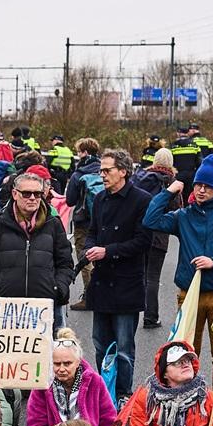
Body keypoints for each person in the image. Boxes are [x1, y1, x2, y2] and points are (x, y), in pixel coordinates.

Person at [138, 156, 213, 360]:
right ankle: (189, 391)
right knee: (186, 353)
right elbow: (150, 220)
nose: (201, 190)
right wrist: (169, 191)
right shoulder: (183, 216)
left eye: (207, 186)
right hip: (189, 293)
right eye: (198, 184)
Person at [77, 151, 152, 392]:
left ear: (123, 171)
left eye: (107, 170)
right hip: (101, 282)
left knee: (124, 348)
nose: (102, 175)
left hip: (126, 284)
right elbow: (92, 232)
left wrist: (107, 251)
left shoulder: (142, 200)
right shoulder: (99, 199)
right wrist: (89, 249)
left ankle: (122, 394)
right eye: (101, 170)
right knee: (100, 345)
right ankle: (104, 392)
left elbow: (142, 242)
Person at [0, 166, 74, 330]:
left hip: (45, 309)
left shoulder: (54, 225)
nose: (32, 198)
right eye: (26, 193)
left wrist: (58, 289)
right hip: (5, 310)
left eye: (37, 194)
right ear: (15, 194)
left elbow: (65, 263)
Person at [25, 332, 118, 426]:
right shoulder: (42, 385)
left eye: (67, 363)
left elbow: (108, 419)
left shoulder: (95, 381)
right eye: (56, 364)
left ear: (78, 362)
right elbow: (35, 425)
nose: (61, 369)